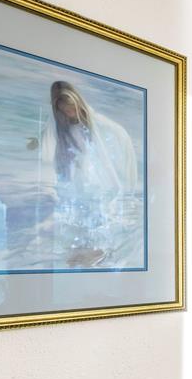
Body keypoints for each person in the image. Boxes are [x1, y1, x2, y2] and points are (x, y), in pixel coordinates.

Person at [29, 81, 142, 268]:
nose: (68, 111)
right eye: (63, 108)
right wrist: (37, 141)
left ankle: (99, 251)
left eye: (70, 106)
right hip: (77, 178)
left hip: (93, 179)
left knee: (97, 214)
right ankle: (85, 251)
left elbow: (110, 136)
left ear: (77, 102)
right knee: (79, 216)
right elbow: (51, 139)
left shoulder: (94, 123)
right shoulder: (63, 127)